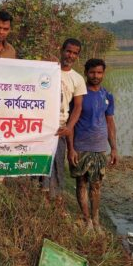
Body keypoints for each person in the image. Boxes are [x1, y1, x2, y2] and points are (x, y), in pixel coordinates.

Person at [70, 58, 117, 228]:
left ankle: (95, 220)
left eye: (99, 72)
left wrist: (114, 148)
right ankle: (86, 218)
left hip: (99, 148)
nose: (95, 76)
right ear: (86, 73)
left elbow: (110, 122)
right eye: (92, 72)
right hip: (81, 146)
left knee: (96, 185)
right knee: (81, 183)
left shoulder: (107, 95)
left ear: (103, 73)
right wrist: (71, 148)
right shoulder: (79, 96)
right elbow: (71, 123)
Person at [45, 38, 87, 199]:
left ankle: (54, 202)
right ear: (62, 50)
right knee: (38, 166)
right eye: (68, 51)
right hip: (41, 127)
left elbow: (78, 107)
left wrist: (69, 127)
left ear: (77, 56)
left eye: (75, 53)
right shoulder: (48, 69)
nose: (70, 55)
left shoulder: (77, 79)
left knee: (56, 168)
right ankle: (37, 201)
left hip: (60, 129)